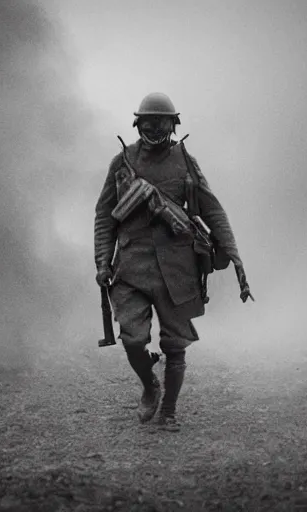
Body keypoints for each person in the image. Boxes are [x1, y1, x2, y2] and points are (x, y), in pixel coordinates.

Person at [93, 92, 253, 432]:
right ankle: (151, 385)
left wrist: (235, 257)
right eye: (148, 121)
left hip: (178, 270)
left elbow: (212, 209)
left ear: (173, 124)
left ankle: (168, 411)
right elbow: (105, 218)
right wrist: (102, 262)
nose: (154, 127)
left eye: (161, 121)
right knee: (133, 339)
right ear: (137, 123)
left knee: (175, 345)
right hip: (131, 269)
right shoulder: (121, 164)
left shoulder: (185, 161)